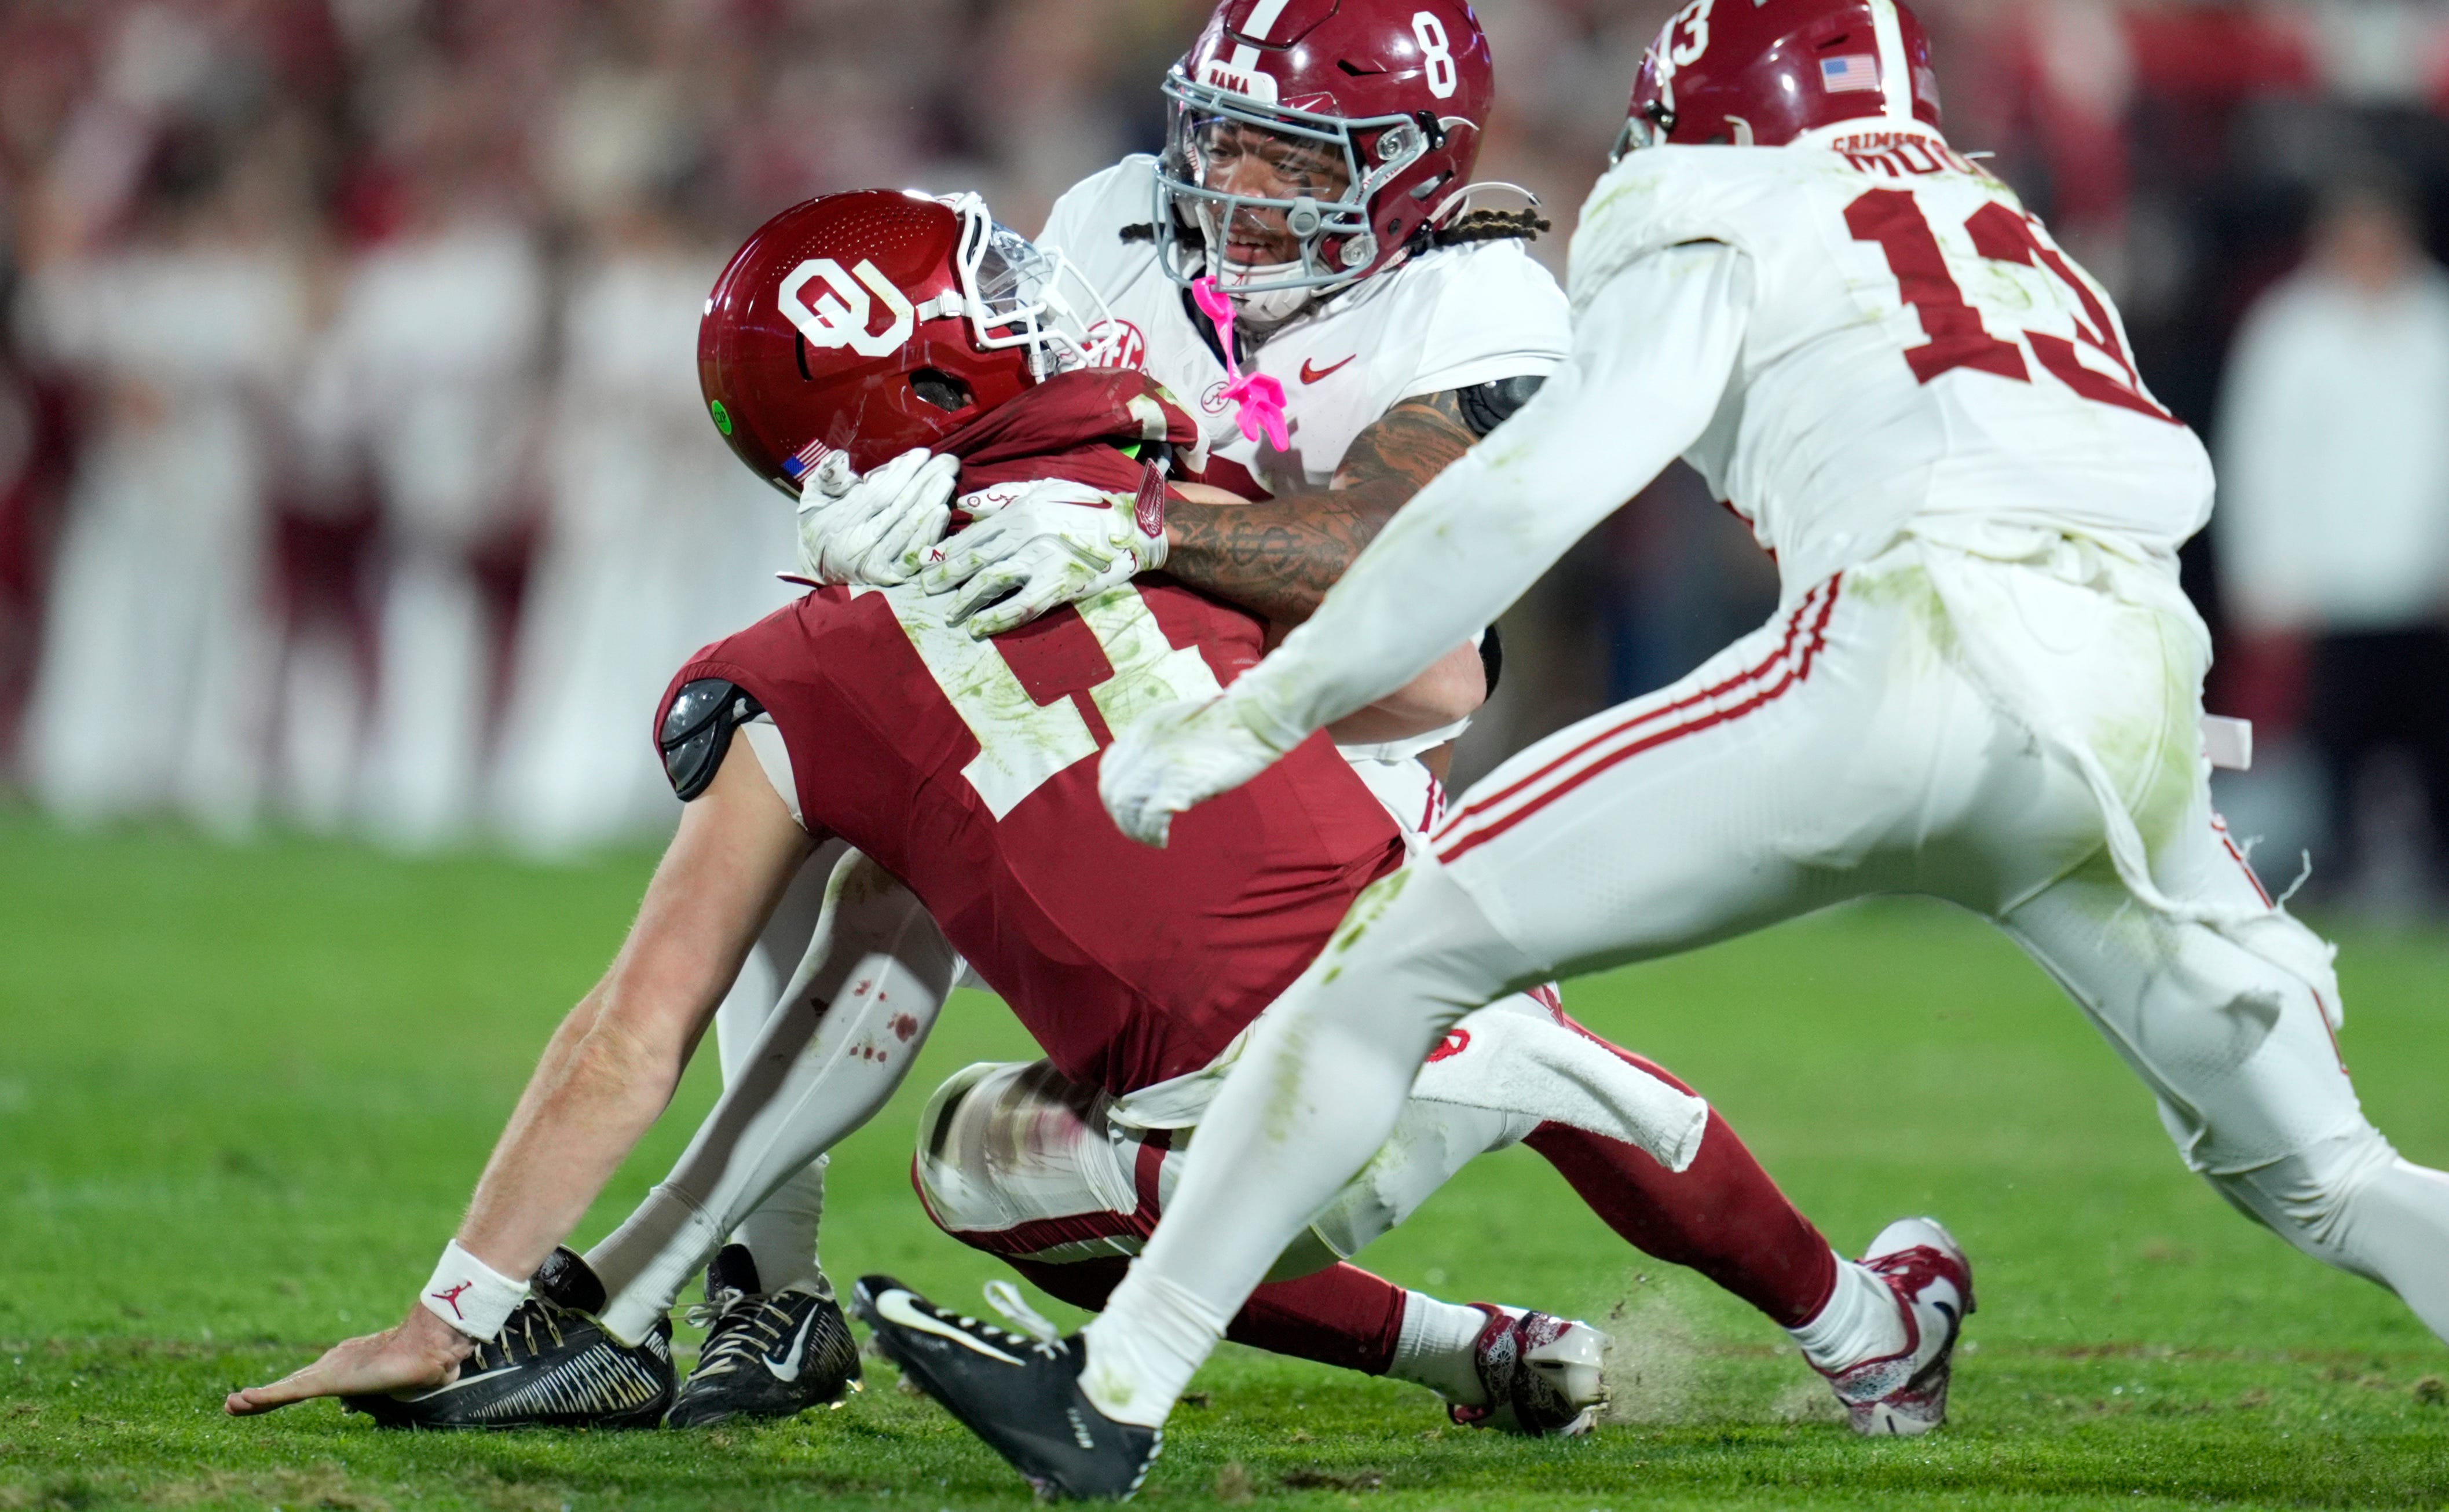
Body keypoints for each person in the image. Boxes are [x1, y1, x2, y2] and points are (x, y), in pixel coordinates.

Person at [865, 0, 2449, 1501]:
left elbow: (1544, 487)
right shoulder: (2018, 235)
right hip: (2134, 707)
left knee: (1400, 951)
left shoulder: (1708, 196)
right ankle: (1874, 1328)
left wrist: (1257, 712)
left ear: (1699, 114)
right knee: (2326, 1177)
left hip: (1906, 652)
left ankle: (1111, 1391)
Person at [225, 191, 1940, 1442]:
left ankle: (1464, 1352)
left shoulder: (796, 671)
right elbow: (1432, 690)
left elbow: (649, 1024)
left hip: (1190, 1148)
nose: (1039, 304)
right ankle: (1854, 1327)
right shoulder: (1146, 451)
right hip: (1424, 1031)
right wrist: (1205, 537)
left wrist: (492, 1300)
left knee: (970, 1139)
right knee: (1463, 982)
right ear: (940, 383)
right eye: (987, 301)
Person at [589, 0, 1570, 1425]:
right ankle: (765, 1291)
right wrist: (893, 491)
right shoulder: (1114, 218)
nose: (1235, 176)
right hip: (1092, 677)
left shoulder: (1484, 302)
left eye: (1295, 156)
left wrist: (1143, 522)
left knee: (1032, 1169)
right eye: (1223, 131)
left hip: (1314, 756)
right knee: (825, 810)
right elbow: (984, 425)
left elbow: (1403, 593)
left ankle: (1481, 1336)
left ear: (1411, 172)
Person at [2216, 173, 2449, 899]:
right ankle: (2335, 872)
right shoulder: (2291, 329)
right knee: (2328, 755)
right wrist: (2266, 577)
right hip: (2327, 588)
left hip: (2421, 584)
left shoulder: (2433, 321)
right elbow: (2259, 456)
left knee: (2433, 749)